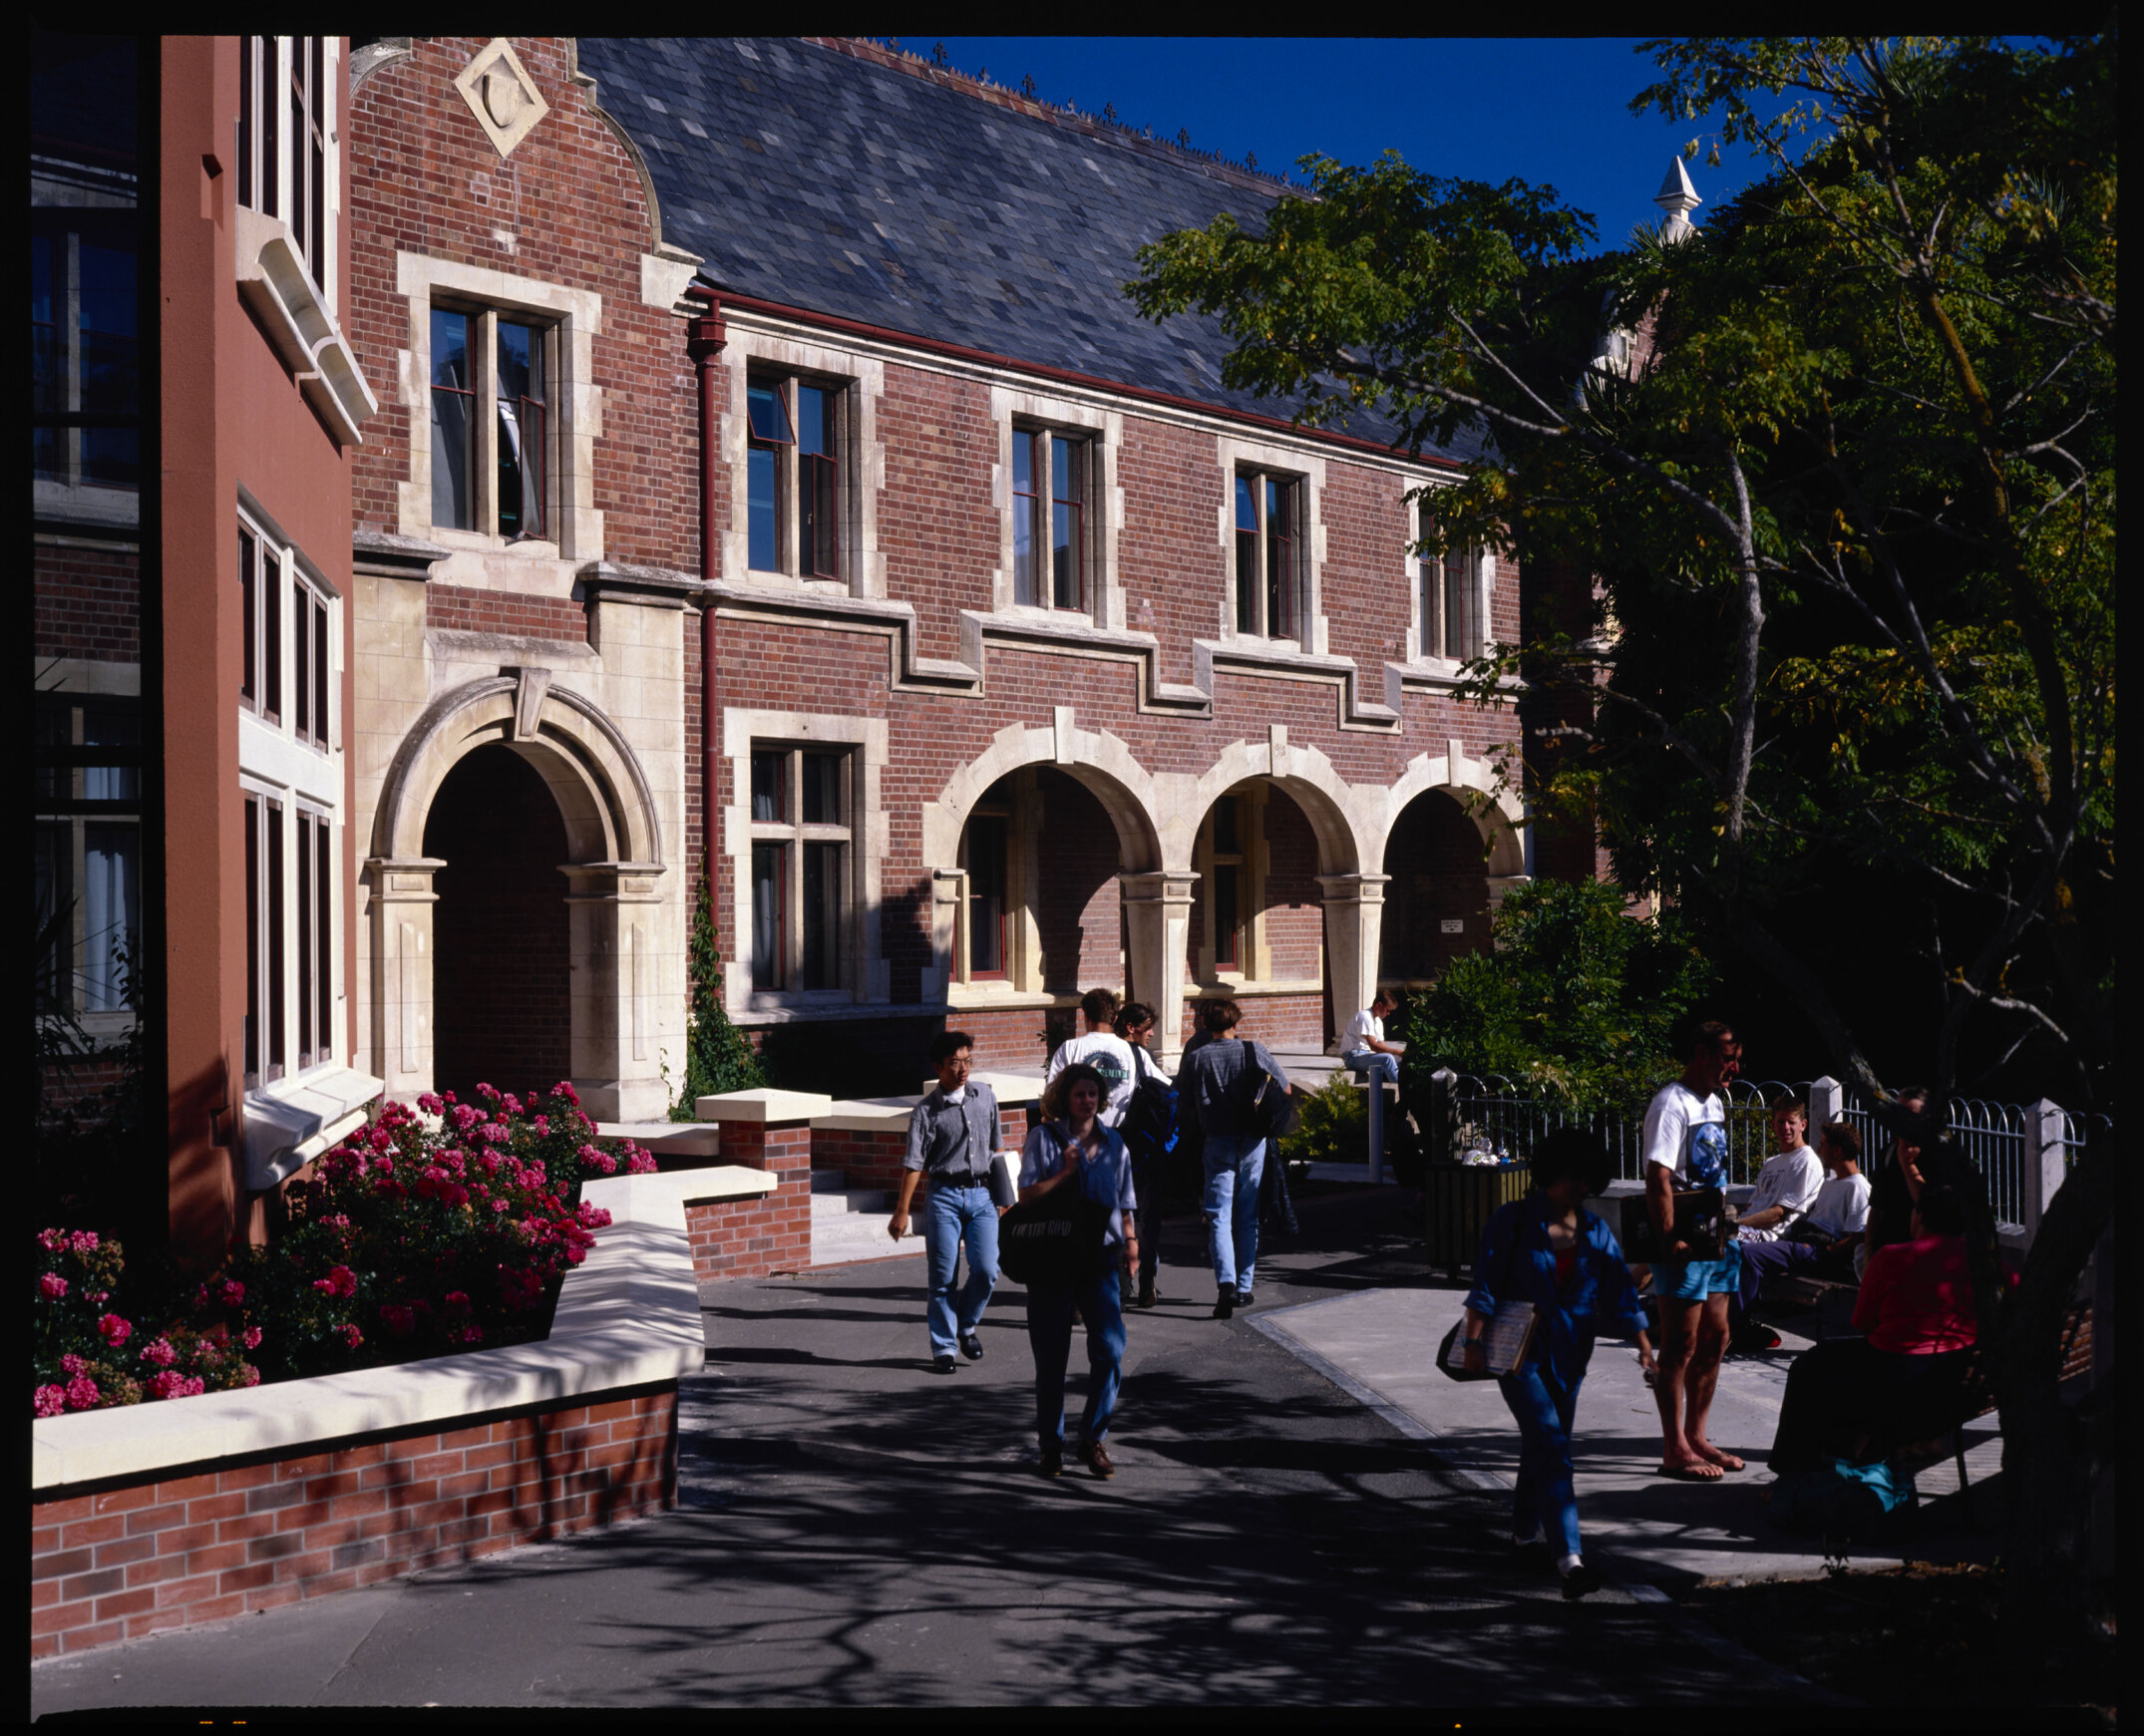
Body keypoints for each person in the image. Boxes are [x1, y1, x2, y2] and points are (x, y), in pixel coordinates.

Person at [1464, 1127, 1655, 1600]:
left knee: (1543, 1446)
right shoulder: (1511, 1221)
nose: (1581, 1187)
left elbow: (1621, 1293)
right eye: (1573, 1176)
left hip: (1572, 1357)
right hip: (1518, 1356)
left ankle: (1522, 1535)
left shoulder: (1595, 1232)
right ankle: (1570, 1560)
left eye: (1588, 1178)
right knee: (1552, 1446)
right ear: (1551, 1174)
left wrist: (1645, 1346)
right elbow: (1485, 1285)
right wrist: (1472, 1342)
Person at [1768, 1184, 1999, 1474]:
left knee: (1810, 1369)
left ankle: (1792, 1474)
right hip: (1960, 1386)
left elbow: (1862, 1322)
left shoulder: (1892, 1257)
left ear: (1919, 1216)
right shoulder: (1985, 1261)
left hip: (1895, 1386)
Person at [1018, 1062, 1140, 1478]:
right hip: (1052, 1259)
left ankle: (1092, 1438)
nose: (1087, 1101)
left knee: (1110, 1349)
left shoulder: (1114, 1142)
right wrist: (1066, 1173)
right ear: (1064, 1099)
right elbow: (1026, 1196)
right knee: (1051, 1359)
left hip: (1101, 1260)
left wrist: (1132, 1243)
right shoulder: (1044, 1138)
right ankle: (1050, 1446)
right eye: (1079, 1094)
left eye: (1092, 1094)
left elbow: (1125, 1200)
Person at [1641, 1019, 1746, 1480]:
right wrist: (1668, 1240)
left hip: (1716, 1234)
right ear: (1701, 1054)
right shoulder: (1671, 1104)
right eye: (1727, 1058)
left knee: (1716, 1337)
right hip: (1683, 1240)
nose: (1734, 1068)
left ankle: (1698, 1435)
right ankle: (1674, 1448)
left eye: (1737, 1059)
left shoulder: (1716, 1102)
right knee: (1680, 1344)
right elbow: (1658, 1176)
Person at [891, 1031, 1003, 1374]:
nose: (963, 1069)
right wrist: (902, 1211)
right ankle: (944, 1348)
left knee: (987, 1269)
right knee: (943, 1278)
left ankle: (965, 1325)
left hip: (983, 1196)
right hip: (944, 1198)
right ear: (938, 1067)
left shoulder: (985, 1097)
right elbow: (913, 1163)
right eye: (955, 1063)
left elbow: (997, 1149)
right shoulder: (926, 1112)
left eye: (968, 1060)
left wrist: (1006, 1197)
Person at [1178, 997, 1288, 1319]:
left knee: (1218, 1215)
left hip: (1216, 1139)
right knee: (1248, 1214)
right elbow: (1285, 1088)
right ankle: (1244, 1286)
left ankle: (1224, 1282)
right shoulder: (1254, 1050)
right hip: (1253, 1140)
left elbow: (1184, 1099)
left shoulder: (1197, 1057)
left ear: (1205, 1024)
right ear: (1236, 1022)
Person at [1733, 1119, 1872, 1318]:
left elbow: (1860, 1236)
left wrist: (1830, 1250)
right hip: (1804, 1242)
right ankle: (1742, 1317)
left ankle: (1740, 1323)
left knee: (1749, 1254)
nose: (1818, 1148)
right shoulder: (1831, 1182)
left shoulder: (1858, 1186)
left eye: (1823, 1144)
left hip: (1818, 1250)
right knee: (1738, 1247)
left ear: (1837, 1151)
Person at [1727, 1099, 1825, 1351]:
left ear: (1803, 1124)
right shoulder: (1771, 1163)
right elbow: (1754, 1207)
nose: (1785, 1128)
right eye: (1780, 1122)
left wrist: (1733, 1225)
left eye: (1791, 1122)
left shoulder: (1807, 1161)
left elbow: (1778, 1214)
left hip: (1771, 1237)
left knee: (1720, 1245)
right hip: (1749, 1229)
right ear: (1773, 1125)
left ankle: (1734, 1327)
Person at [1115, 1000, 1174, 1308]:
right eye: (1148, 1027)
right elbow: (1166, 1091)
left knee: (1114, 1216)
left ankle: (1122, 1284)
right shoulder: (1139, 1055)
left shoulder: (1100, 1054)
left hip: (1107, 1147)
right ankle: (1147, 1277)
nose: (1151, 1033)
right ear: (1131, 1028)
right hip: (1140, 1149)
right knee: (1146, 1217)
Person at [1044, 987, 1137, 1127]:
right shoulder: (1128, 1051)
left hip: (1077, 1133)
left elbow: (1051, 1096)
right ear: (1115, 1018)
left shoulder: (1070, 1048)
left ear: (1086, 1016)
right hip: (1117, 1135)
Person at [1338, 987, 1402, 1087]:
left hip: (1364, 1055)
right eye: (1387, 1010)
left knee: (1399, 1061)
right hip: (1352, 1057)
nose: (1388, 1014)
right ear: (1379, 1005)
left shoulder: (1378, 1022)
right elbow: (1374, 1046)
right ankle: (1402, 1091)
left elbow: (1382, 1048)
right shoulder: (1365, 1017)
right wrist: (1398, 1052)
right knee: (1388, 1059)